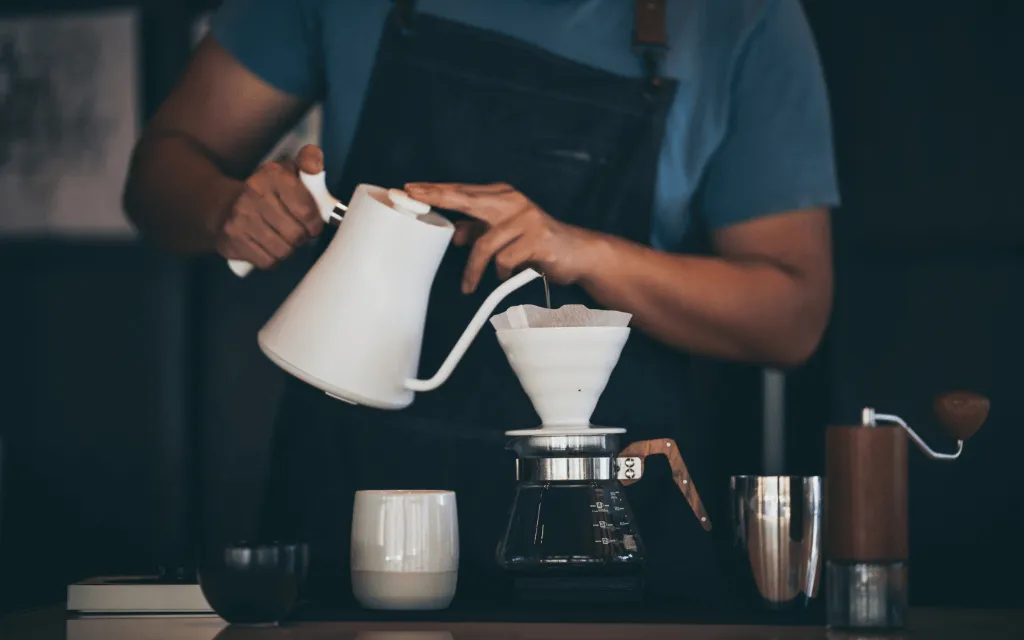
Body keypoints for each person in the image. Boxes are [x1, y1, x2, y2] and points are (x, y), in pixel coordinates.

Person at [123, 0, 838, 608]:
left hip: (607, 513)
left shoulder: (744, 19)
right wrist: (225, 209)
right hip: (359, 489)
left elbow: (793, 317)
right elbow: (159, 171)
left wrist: (585, 252)